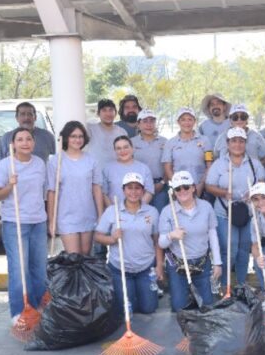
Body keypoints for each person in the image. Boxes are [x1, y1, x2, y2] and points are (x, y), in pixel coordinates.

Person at [0, 127, 48, 325]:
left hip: (38, 221)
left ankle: (40, 307)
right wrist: (10, 185)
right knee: (19, 269)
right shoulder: (6, 165)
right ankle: (20, 311)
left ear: (33, 143)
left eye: (29, 139)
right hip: (15, 222)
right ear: (13, 144)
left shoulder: (40, 163)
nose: (25, 143)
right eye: (20, 139)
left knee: (39, 268)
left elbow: (45, 191)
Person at [95, 172, 163, 321]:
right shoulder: (112, 211)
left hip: (145, 268)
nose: (133, 192)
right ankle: (131, 295)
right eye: (129, 188)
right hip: (120, 269)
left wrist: (159, 265)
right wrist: (112, 238)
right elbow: (98, 236)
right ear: (123, 190)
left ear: (143, 190)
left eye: (137, 188)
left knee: (149, 308)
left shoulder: (152, 212)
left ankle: (140, 293)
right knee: (123, 310)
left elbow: (157, 240)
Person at [205, 127, 265, 291]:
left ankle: (241, 284)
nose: (237, 144)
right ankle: (225, 285)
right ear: (227, 143)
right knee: (230, 250)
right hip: (225, 213)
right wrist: (224, 193)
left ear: (245, 143)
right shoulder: (219, 164)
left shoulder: (254, 163)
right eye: (234, 141)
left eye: (241, 141)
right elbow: (209, 186)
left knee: (244, 250)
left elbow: (261, 184)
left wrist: (253, 193)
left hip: (248, 213)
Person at [158, 171, 222, 311]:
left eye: (186, 187)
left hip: (202, 262)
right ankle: (182, 293)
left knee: (207, 307)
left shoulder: (206, 207)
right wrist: (171, 235)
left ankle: (191, 293)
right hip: (177, 264)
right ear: (174, 192)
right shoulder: (167, 211)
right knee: (179, 308)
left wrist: (217, 263)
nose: (182, 191)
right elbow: (162, 243)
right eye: (178, 189)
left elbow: (213, 235)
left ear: (193, 187)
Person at [47, 121, 104, 255]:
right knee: (73, 257)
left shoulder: (91, 160)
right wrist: (51, 220)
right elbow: (52, 192)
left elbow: (96, 188)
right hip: (66, 216)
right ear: (66, 138)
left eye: (80, 136)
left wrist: (100, 215)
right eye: (73, 136)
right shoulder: (56, 161)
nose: (77, 140)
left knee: (85, 255)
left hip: (87, 214)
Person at [162, 107, 213, 198]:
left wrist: (201, 185)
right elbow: (167, 168)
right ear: (178, 122)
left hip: (201, 187)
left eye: (190, 119)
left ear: (194, 121)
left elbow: (209, 165)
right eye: (183, 120)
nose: (187, 123)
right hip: (180, 189)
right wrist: (177, 186)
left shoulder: (205, 140)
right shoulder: (170, 143)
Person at [131, 109, 169, 211]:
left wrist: (162, 182)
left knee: (160, 215)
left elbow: (169, 164)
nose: (149, 124)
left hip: (160, 187)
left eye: (152, 121)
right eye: (145, 121)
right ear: (138, 124)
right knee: (141, 216)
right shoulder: (131, 143)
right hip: (138, 187)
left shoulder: (165, 142)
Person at [102, 135, 155, 208]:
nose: (122, 151)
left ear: (132, 148)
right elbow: (104, 193)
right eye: (118, 148)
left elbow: (149, 191)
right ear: (115, 151)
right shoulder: (107, 168)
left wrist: (137, 208)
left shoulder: (144, 168)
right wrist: (113, 211)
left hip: (138, 212)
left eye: (126, 147)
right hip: (115, 214)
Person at [85, 99, 127, 168]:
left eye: (111, 110)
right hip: (94, 174)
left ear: (115, 113)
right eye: (104, 110)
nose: (108, 114)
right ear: (98, 113)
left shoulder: (122, 132)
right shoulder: (90, 129)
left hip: (115, 172)